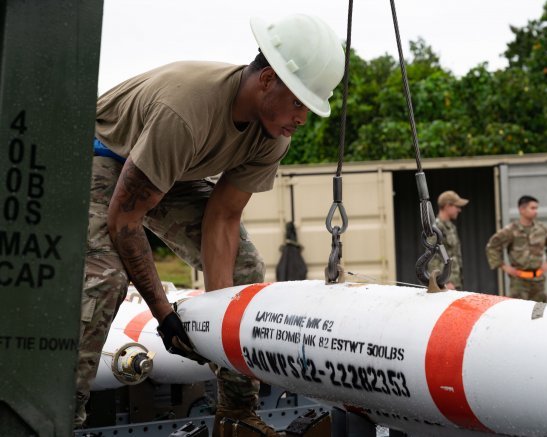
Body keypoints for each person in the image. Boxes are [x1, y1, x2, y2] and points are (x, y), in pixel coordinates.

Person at [75, 14, 345, 435]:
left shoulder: (272, 136)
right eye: (298, 103)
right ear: (268, 80)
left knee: (245, 268)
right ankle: (55, 418)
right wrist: (164, 316)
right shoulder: (185, 112)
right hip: (99, 154)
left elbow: (223, 217)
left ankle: (237, 413)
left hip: (169, 171)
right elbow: (126, 220)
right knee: (105, 280)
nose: (302, 118)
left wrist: (220, 324)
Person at [486, 195, 547, 302]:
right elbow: (492, 246)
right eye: (532, 208)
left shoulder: (542, 229)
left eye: (536, 208)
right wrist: (504, 266)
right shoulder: (511, 230)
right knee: (519, 314)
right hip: (519, 282)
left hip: (538, 282)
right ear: (522, 209)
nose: (536, 211)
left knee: (538, 313)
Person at [427, 190, 468, 289]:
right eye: (457, 206)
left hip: (456, 283)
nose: (459, 210)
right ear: (447, 206)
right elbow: (432, 257)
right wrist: (444, 281)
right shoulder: (436, 228)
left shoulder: (450, 227)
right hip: (446, 285)